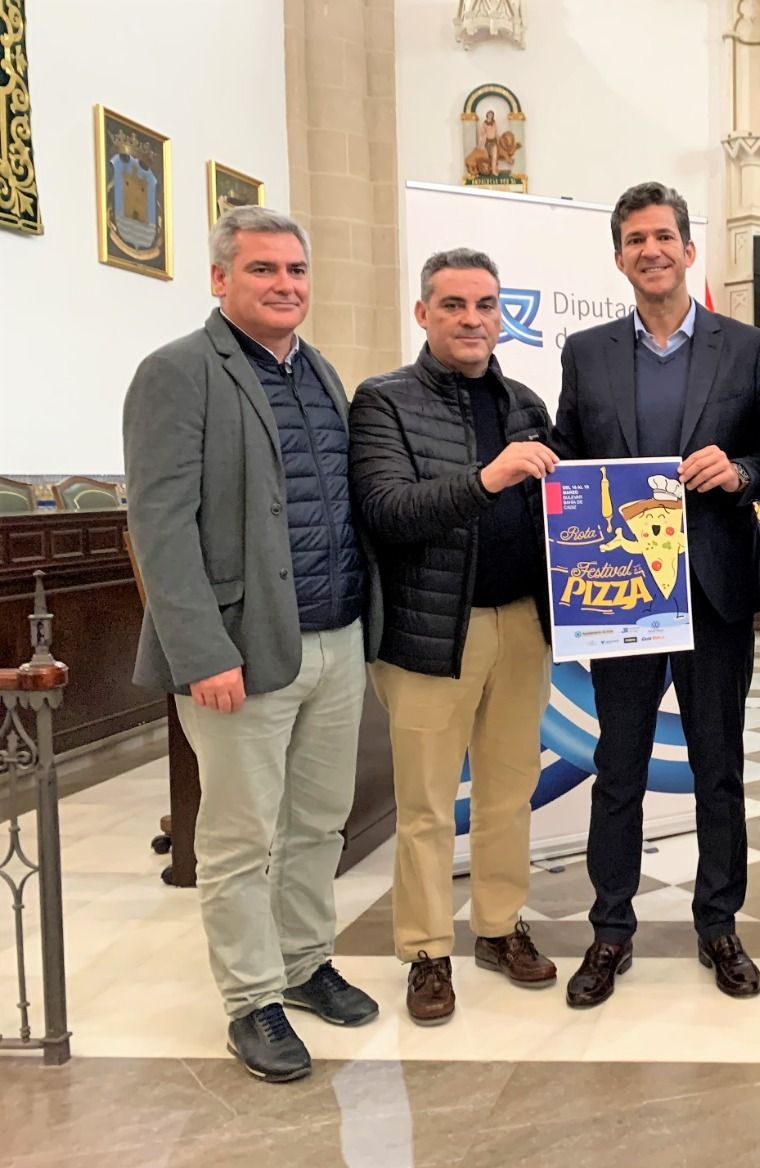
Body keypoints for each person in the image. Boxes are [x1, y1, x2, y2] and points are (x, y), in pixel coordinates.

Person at [123, 206, 381, 1083]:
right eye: (265, 269)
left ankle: (306, 963)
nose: (284, 286)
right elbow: (159, 527)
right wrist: (200, 653)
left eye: (296, 271)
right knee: (237, 838)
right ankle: (252, 1000)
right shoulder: (177, 373)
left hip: (336, 635)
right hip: (241, 647)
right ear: (220, 278)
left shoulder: (320, 374)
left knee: (318, 823)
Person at [553, 181, 760, 1008]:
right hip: (620, 594)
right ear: (619, 257)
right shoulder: (587, 352)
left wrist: (742, 472)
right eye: (635, 239)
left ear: (689, 249)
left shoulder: (747, 346)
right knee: (619, 768)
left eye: (664, 237)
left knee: (719, 769)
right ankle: (611, 930)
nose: (651, 250)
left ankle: (718, 923)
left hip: (715, 591)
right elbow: (571, 458)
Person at [349, 248, 560, 1026]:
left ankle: (499, 929)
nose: (473, 320)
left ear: (502, 315)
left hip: (521, 627)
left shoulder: (527, 402)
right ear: (424, 314)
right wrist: (487, 478)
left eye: (486, 306)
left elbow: (562, 509)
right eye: (455, 306)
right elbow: (386, 510)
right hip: (431, 633)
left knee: (510, 795)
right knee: (429, 807)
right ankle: (427, 950)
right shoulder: (383, 401)